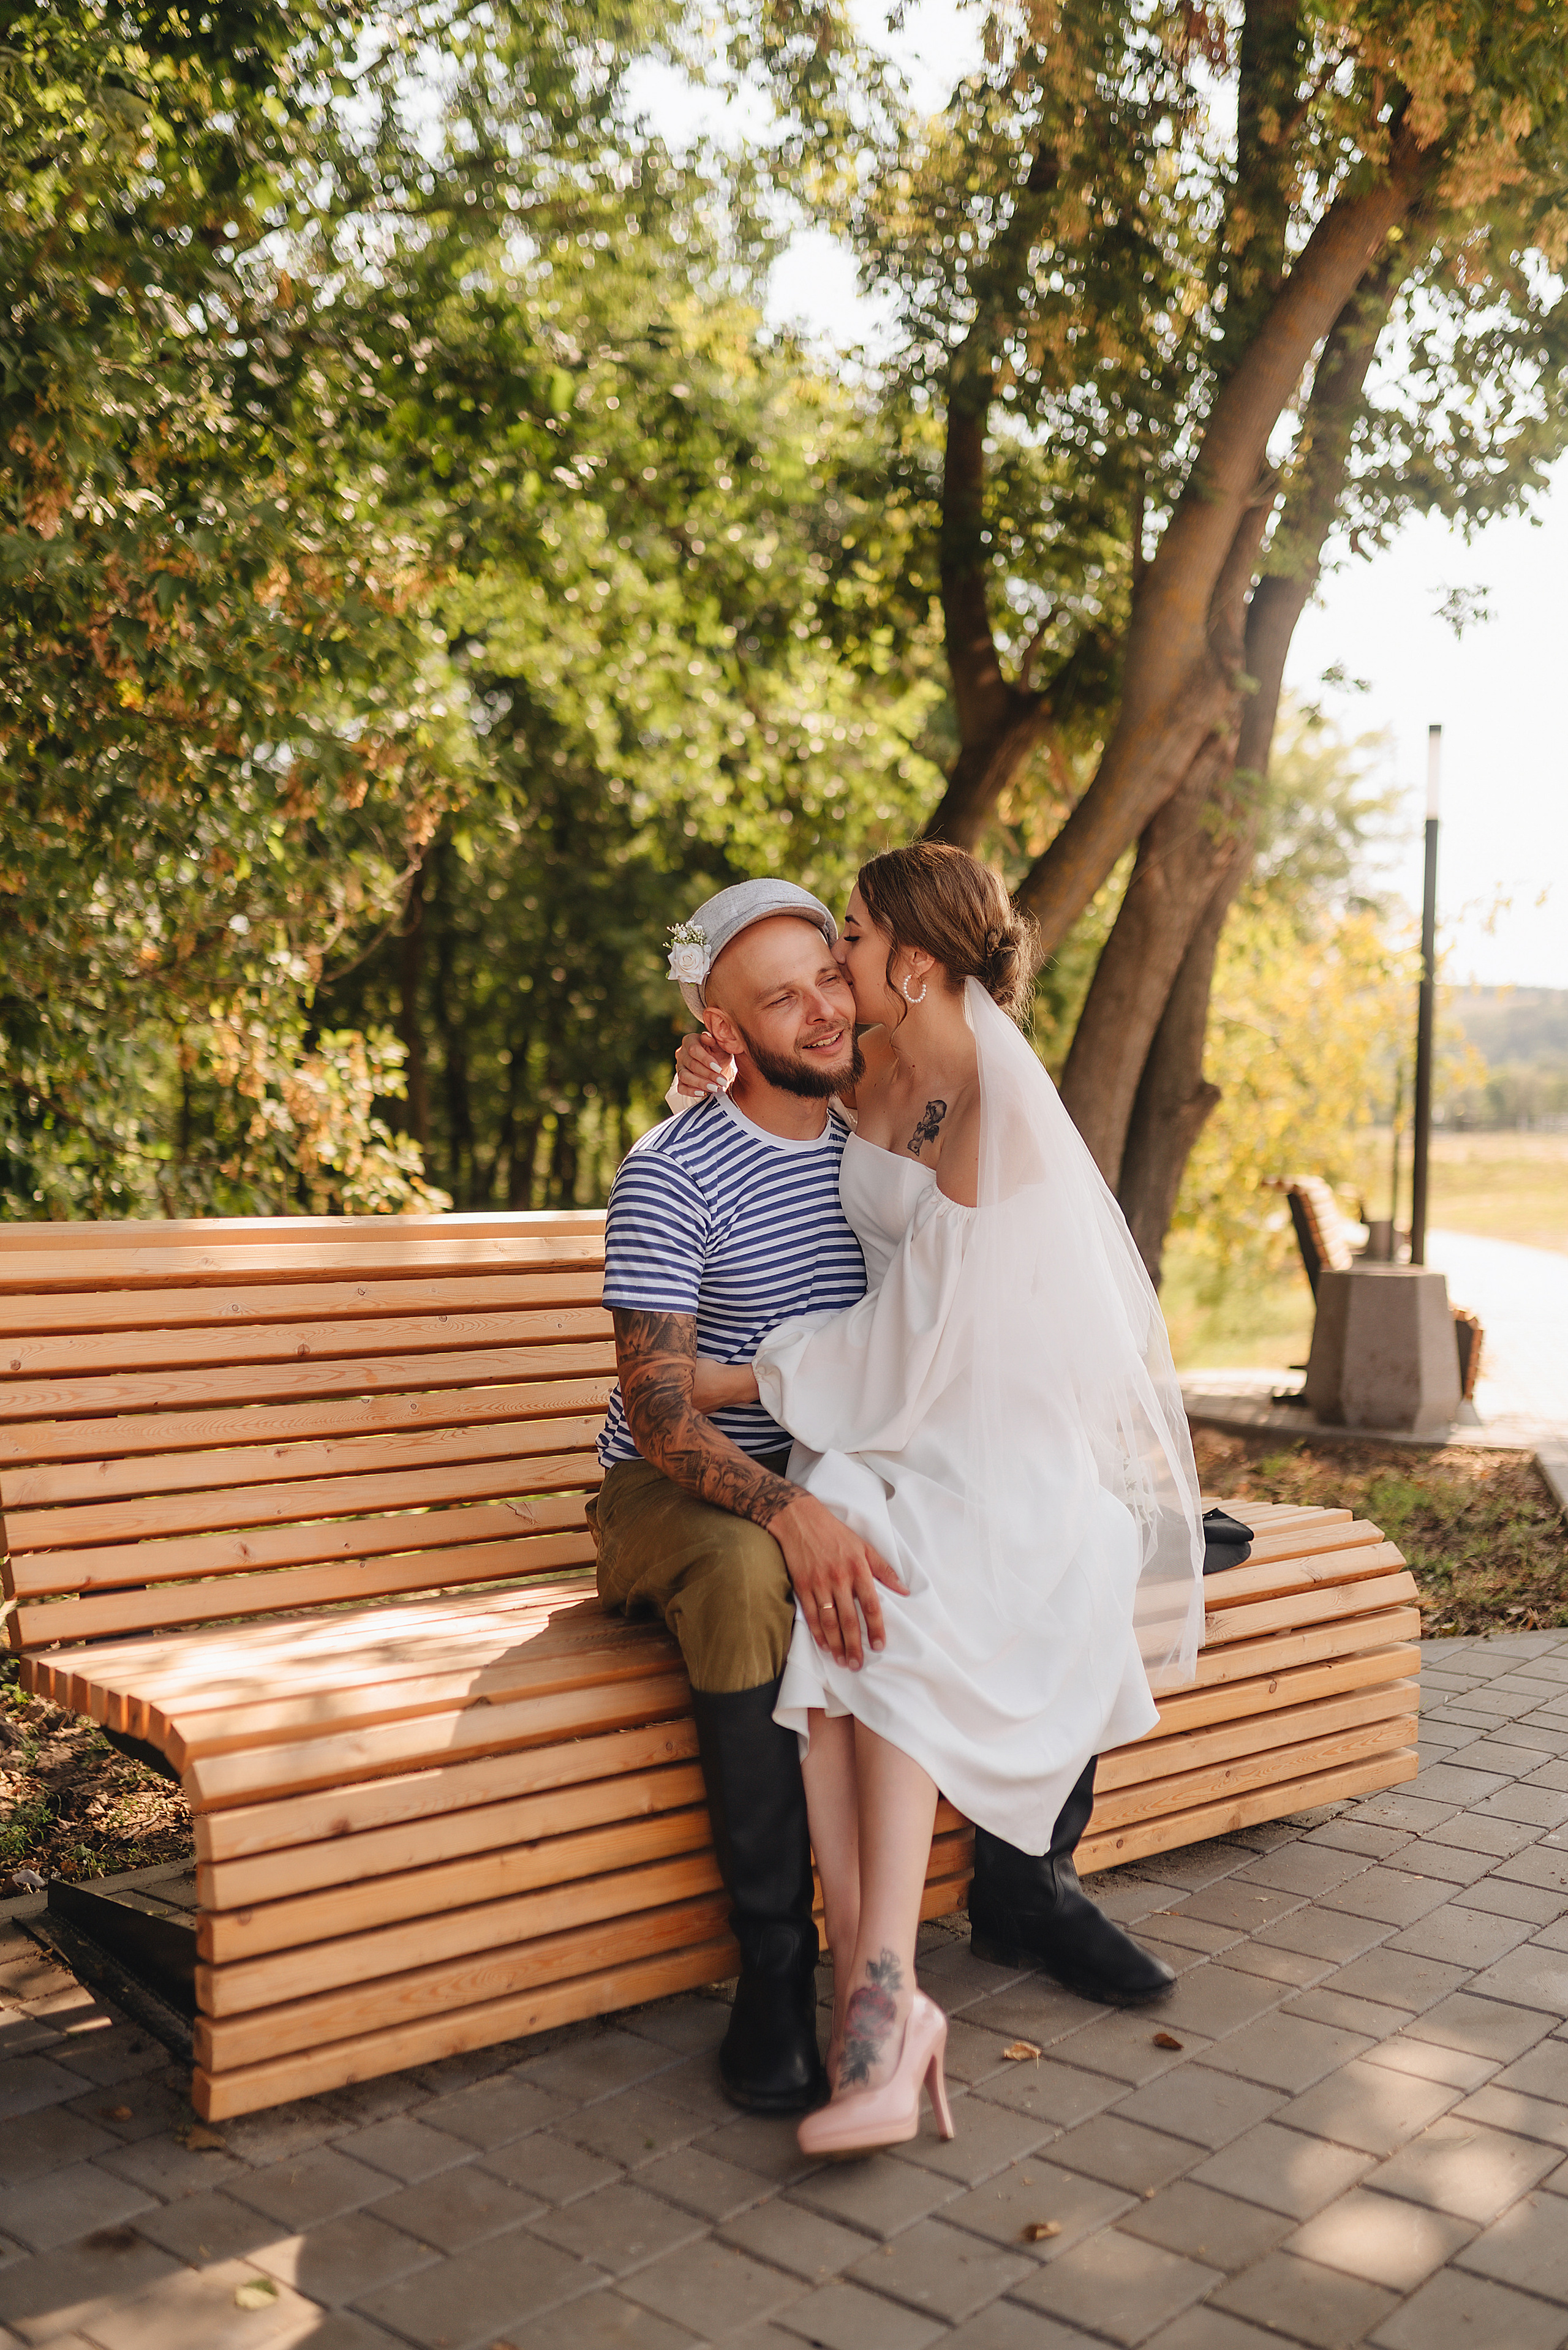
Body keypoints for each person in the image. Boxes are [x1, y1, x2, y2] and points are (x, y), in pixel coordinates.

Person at [589, 870, 1197, 2128]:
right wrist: (789, 1509)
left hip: (861, 1436)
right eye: (781, 999)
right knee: (793, 1562)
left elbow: (946, 1289)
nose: (824, 1005)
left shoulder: (876, 1103)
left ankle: (998, 1904)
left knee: (1055, 1522)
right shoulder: (670, 1168)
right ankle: (779, 1967)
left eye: (831, 967)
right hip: (683, 1479)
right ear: (721, 1024)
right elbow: (659, 1414)